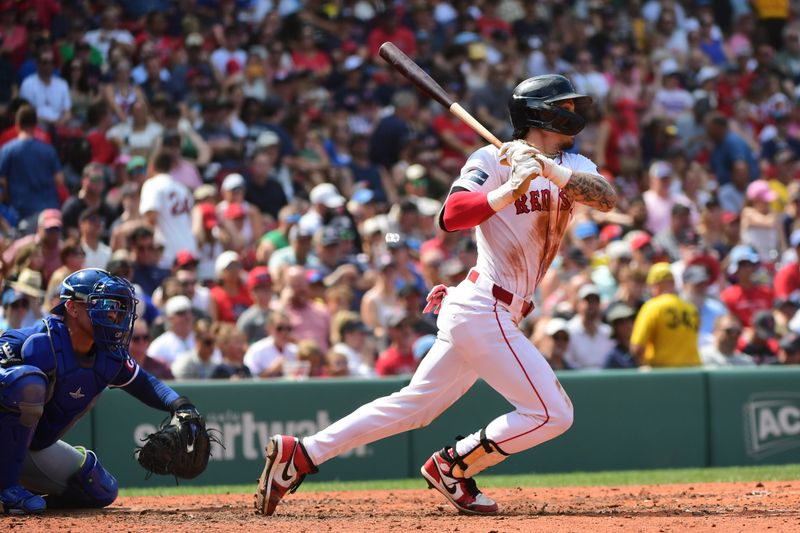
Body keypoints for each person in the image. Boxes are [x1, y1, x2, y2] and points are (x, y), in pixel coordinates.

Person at [255, 74, 616, 516]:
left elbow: (605, 199)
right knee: (553, 413)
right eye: (567, 106)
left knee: (415, 407)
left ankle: (303, 453)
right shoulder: (491, 158)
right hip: (485, 309)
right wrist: (508, 189)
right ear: (543, 113)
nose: (575, 114)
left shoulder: (571, 163)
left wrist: (545, 168)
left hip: (489, 308)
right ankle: (454, 464)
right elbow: (451, 216)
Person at [0, 268, 206, 514]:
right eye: (103, 304)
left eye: (117, 306)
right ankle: (7, 490)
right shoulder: (29, 342)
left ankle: (23, 492)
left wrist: (181, 405)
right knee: (25, 382)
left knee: (99, 488)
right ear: (72, 307)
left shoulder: (108, 355)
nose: (112, 314)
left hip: (32, 449)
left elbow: (145, 383)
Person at [630, 263, 701, 367]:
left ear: (656, 285)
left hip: (664, 373)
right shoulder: (691, 309)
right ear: (672, 283)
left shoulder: (652, 306)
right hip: (693, 372)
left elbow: (637, 347)